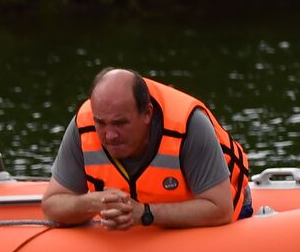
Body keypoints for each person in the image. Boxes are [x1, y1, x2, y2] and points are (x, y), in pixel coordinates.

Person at [41, 68, 251, 230]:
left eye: (121, 123)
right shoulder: (83, 125)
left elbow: (220, 210)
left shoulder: (189, 125)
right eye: (101, 123)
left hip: (222, 222)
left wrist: (144, 214)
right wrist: (94, 203)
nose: (110, 135)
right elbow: (52, 204)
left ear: (147, 113)